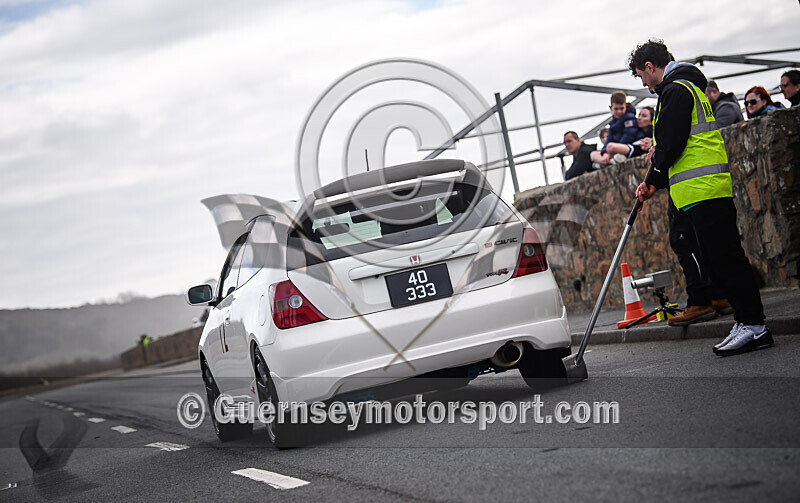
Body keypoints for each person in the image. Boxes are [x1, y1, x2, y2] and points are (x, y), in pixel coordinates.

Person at [628, 39, 771, 357]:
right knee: (721, 260)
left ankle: (754, 326)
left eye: (641, 76)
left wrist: (652, 177)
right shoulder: (687, 89)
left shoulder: (675, 91)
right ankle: (746, 321)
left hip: (703, 191)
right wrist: (656, 182)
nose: (643, 82)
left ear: (651, 67)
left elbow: (670, 144)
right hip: (699, 191)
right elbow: (677, 145)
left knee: (726, 260)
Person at [590, 91, 643, 166]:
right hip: (615, 148)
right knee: (593, 154)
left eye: (622, 108)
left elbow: (629, 136)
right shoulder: (613, 123)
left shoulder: (629, 118)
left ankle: (609, 160)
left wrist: (613, 150)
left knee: (611, 147)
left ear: (626, 106)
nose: (619, 111)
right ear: (611, 108)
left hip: (629, 146)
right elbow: (609, 138)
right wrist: (605, 152)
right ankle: (606, 161)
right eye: (616, 109)